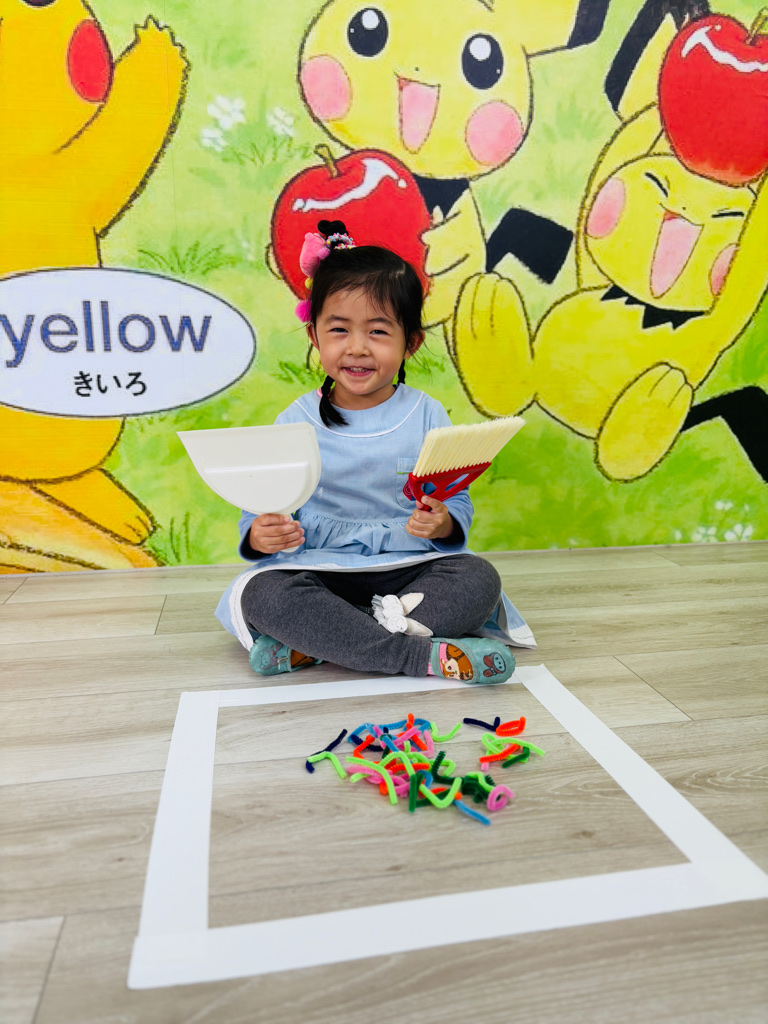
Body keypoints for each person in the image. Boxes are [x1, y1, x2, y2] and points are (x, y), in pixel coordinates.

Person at [215, 224, 536, 682]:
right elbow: (263, 505)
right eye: (339, 330)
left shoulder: (426, 414)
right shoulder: (295, 419)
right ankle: (418, 656)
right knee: (264, 593)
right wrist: (260, 534)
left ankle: (323, 643)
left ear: (411, 342)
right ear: (314, 336)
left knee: (477, 578)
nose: (357, 348)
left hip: (408, 572)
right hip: (319, 570)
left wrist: (443, 522)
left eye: (379, 331)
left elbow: (454, 498)